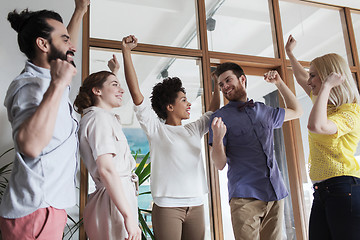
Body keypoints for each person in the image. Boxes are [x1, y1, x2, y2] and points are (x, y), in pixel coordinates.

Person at [0, 1, 89, 239]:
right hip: (36, 212)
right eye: (65, 39)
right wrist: (59, 83)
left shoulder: (50, 81)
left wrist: (79, 11)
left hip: (48, 209)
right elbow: (29, 145)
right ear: (43, 44)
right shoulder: (30, 86)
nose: (73, 46)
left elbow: (64, 50)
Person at [117, 35, 220, 240]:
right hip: (167, 207)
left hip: (197, 204)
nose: (189, 103)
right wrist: (126, 52)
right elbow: (136, 93)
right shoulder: (156, 129)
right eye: (184, 100)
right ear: (170, 107)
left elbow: (213, 112)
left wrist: (216, 84)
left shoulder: (194, 128)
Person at [209, 62, 302, 240]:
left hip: (275, 193)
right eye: (221, 85)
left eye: (228, 80)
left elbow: (297, 111)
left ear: (242, 79)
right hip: (244, 197)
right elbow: (220, 164)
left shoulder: (264, 110)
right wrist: (218, 138)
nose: (225, 87)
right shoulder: (219, 117)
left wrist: (279, 83)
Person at [285, 35, 360, 240]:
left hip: (344, 187)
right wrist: (290, 54)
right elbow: (301, 78)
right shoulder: (324, 105)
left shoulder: (350, 113)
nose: (308, 81)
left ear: (328, 77)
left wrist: (326, 86)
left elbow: (316, 126)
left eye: (314, 76)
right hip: (322, 191)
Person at [74, 59, 142, 240]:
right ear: (97, 91)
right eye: (115, 85)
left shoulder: (102, 117)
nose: (121, 90)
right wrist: (127, 216)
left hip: (116, 197)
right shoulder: (99, 119)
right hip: (114, 199)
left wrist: (114, 73)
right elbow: (106, 169)